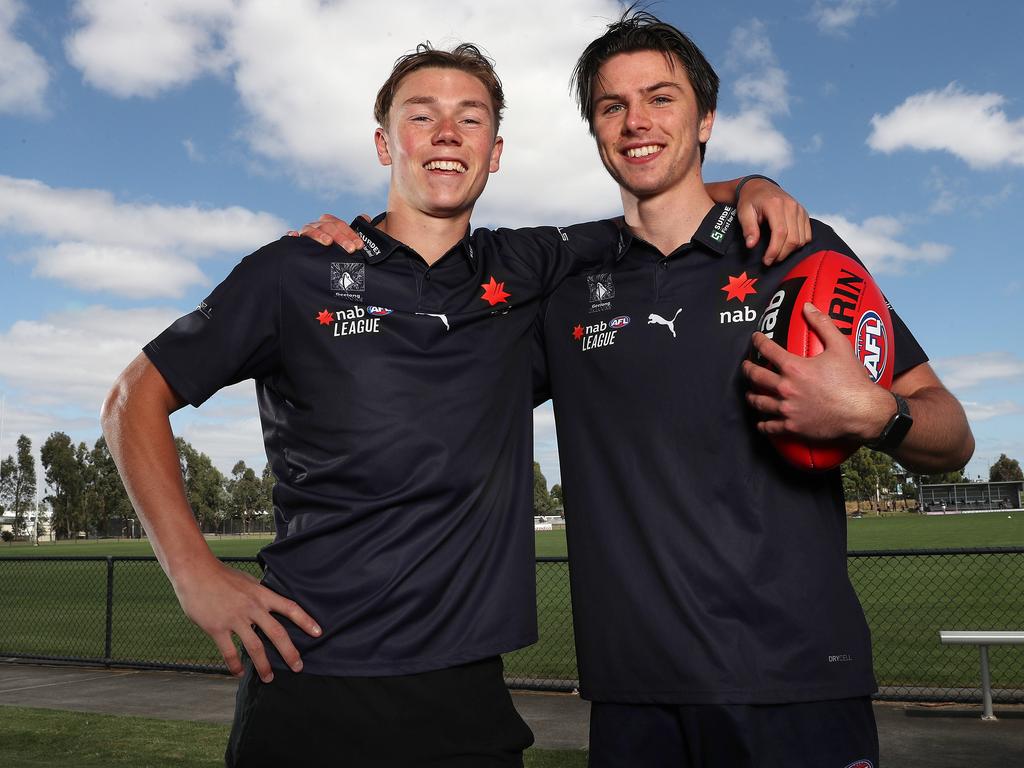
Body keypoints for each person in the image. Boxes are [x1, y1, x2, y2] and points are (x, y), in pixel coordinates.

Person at [101, 41, 808, 767]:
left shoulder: (526, 267)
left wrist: (751, 184)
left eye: (469, 120)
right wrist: (195, 575)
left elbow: (663, 204)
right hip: (310, 680)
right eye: (422, 116)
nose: (446, 134)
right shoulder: (294, 272)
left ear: (494, 152)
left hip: (467, 696)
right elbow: (132, 400)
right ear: (384, 142)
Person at [303, 11, 973, 768]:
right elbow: (421, 362)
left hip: (797, 681)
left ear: (706, 117)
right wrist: (352, 257)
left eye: (661, 98)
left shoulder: (796, 249)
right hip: (631, 695)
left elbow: (952, 433)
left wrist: (871, 412)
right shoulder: (564, 287)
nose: (637, 122)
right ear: (595, 131)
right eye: (612, 106)